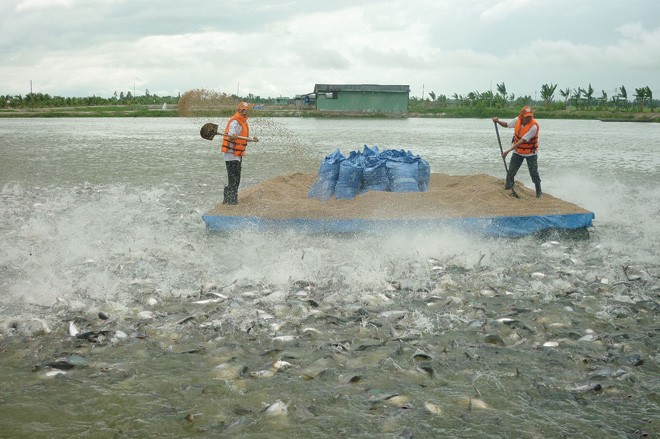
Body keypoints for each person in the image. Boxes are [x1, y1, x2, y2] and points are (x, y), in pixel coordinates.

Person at [492, 106, 542, 198]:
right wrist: (498, 122)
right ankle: (508, 189)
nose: (529, 118)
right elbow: (507, 124)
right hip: (518, 151)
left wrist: (507, 151)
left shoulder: (534, 126)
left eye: (530, 116)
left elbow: (521, 141)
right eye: (527, 117)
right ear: (522, 115)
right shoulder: (517, 120)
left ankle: (539, 193)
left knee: (534, 173)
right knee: (511, 171)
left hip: (531, 153)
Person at [221, 102, 259, 204]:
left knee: (236, 179)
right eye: (244, 110)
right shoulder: (235, 122)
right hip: (230, 154)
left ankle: (228, 200)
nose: (246, 112)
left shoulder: (243, 122)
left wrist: (252, 139)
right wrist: (231, 136)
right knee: (234, 179)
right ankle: (231, 201)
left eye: (247, 110)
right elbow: (231, 135)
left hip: (237, 155)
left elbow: (243, 137)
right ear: (239, 110)